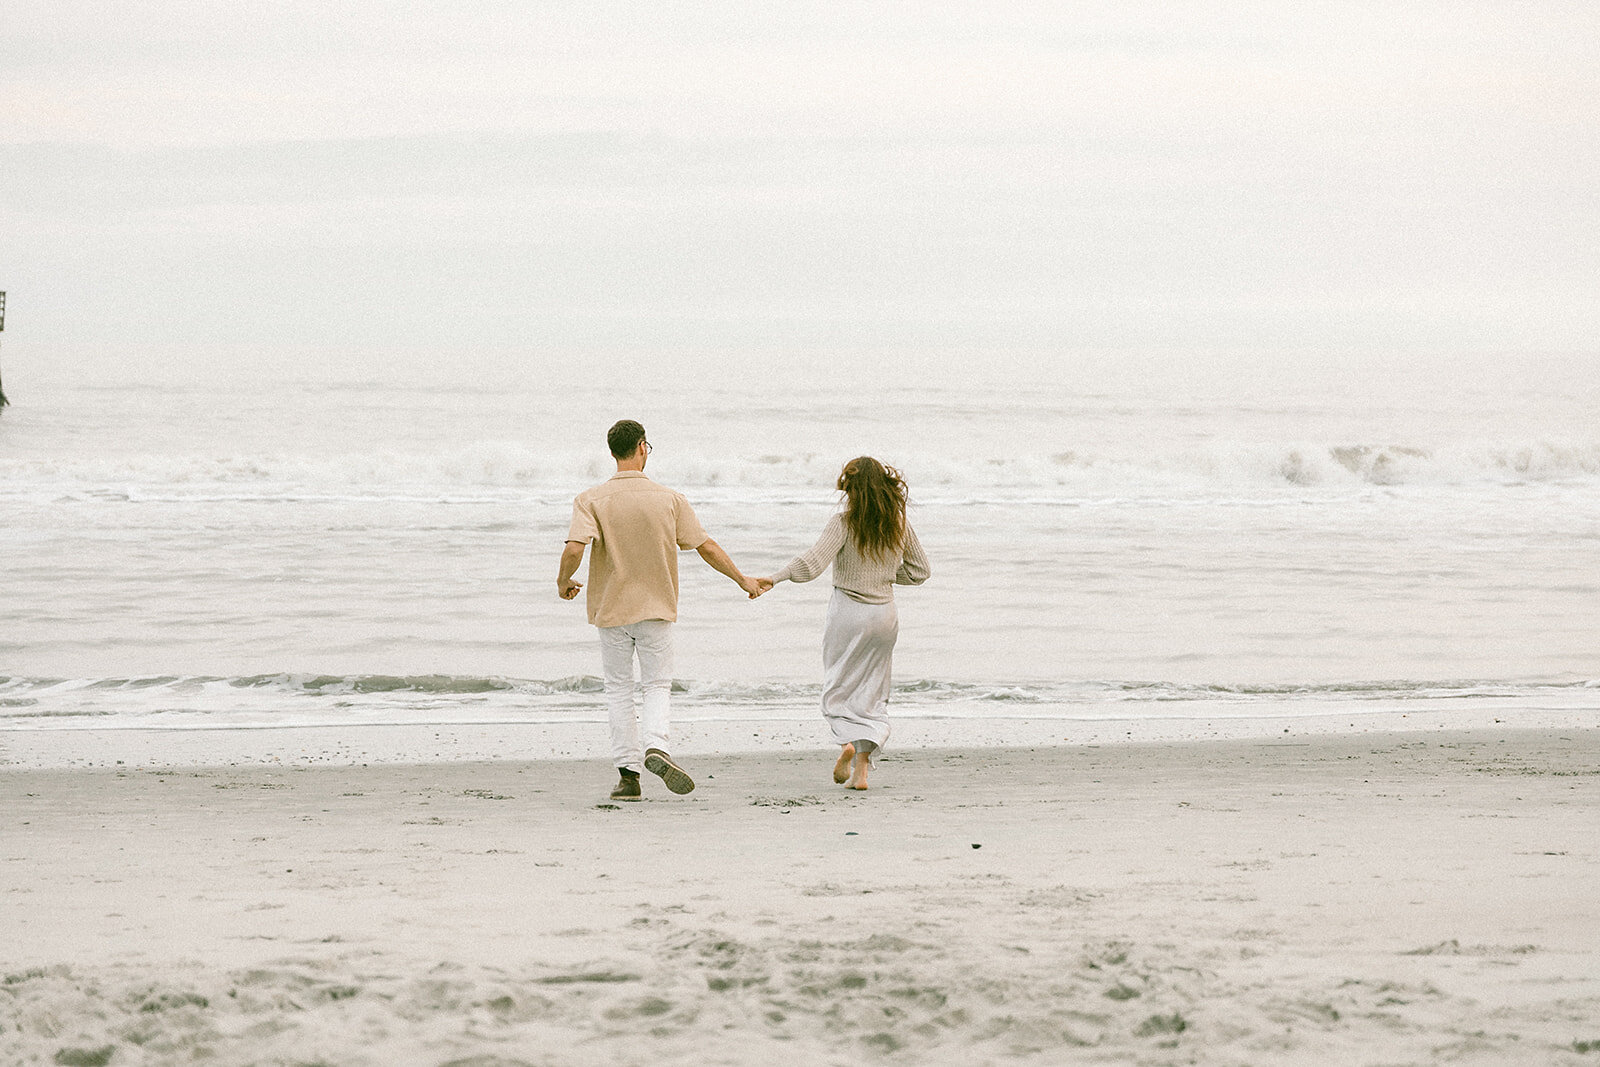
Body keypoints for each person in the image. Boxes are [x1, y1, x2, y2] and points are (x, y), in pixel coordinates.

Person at [558, 420, 764, 801]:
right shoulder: (669, 499)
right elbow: (706, 546)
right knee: (656, 686)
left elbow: (574, 549)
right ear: (641, 447)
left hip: (611, 610)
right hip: (656, 608)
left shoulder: (590, 499)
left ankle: (628, 778)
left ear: (612, 451)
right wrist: (742, 580)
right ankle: (657, 747)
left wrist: (562, 582)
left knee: (619, 690)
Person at [758, 456, 929, 790]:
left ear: (849, 487)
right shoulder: (898, 524)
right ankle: (861, 773)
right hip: (885, 615)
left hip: (849, 612)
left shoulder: (842, 523)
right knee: (872, 691)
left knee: (839, 686)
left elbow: (812, 564)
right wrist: (883, 575)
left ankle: (847, 743)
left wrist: (775, 578)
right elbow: (920, 571)